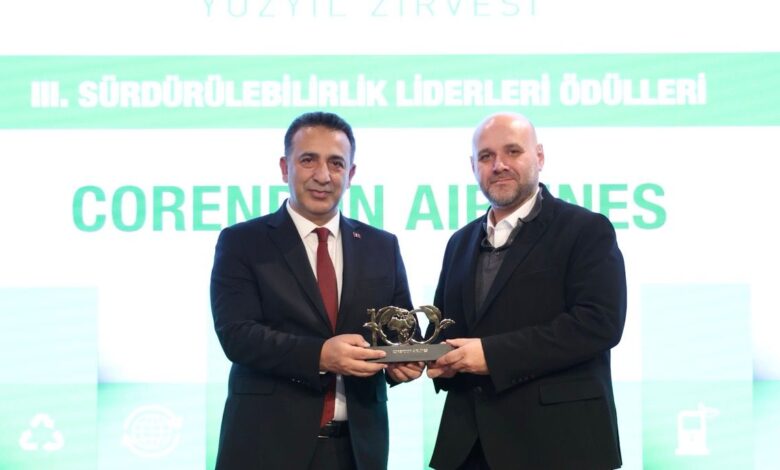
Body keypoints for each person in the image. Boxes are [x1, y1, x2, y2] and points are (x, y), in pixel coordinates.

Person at [210, 111, 423, 470]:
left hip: (358, 451)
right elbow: (238, 336)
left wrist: (404, 363)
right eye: (308, 160)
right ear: (285, 168)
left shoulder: (381, 246)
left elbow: (400, 331)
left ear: (350, 174)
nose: (323, 175)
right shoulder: (242, 242)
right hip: (265, 447)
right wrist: (320, 356)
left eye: (336, 163)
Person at [426, 112, 626, 470]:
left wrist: (491, 355)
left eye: (512, 151)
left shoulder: (586, 229)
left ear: (540, 156)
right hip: (469, 448)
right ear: (473, 167)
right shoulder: (459, 242)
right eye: (486, 156)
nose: (499, 165)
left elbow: (600, 324)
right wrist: (419, 356)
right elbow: (446, 329)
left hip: (559, 447)